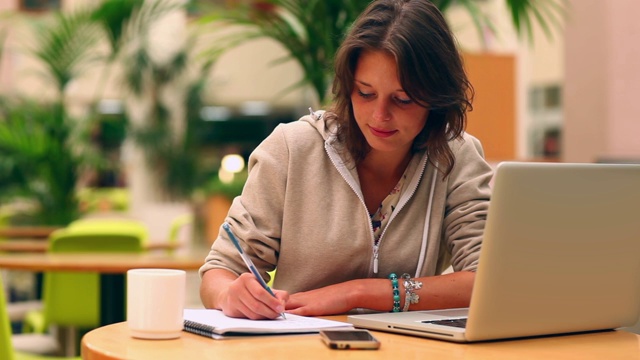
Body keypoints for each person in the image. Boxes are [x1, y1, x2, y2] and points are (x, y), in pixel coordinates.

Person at [199, 0, 493, 320]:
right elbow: (220, 270)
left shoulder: (457, 157)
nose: (380, 116)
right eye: (365, 93)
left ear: (436, 100)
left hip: (410, 349)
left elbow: (487, 280)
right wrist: (230, 294)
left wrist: (357, 293)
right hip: (298, 346)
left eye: (403, 99)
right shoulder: (292, 149)